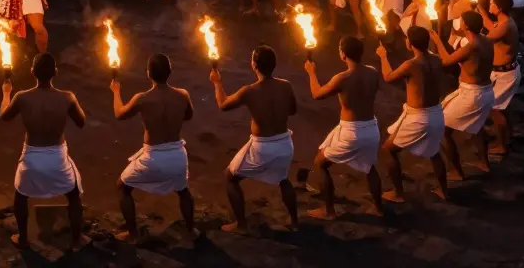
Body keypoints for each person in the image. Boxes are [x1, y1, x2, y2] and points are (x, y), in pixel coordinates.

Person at [0, 53, 86, 250]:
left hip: (31, 157)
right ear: (55, 72)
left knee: (21, 195)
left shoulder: (21, 97)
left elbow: (4, 116)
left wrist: (6, 93)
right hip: (57, 157)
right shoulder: (67, 97)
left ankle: (23, 238)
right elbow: (81, 122)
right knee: (73, 195)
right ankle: (76, 239)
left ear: (32, 72)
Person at [212, 45, 298, 232]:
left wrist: (217, 83)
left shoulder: (249, 91)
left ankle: (241, 224)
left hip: (263, 147)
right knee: (283, 180)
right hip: (285, 143)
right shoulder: (286, 85)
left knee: (230, 177)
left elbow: (223, 105)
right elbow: (293, 110)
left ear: (254, 65)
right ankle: (295, 222)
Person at [111, 54, 197, 241]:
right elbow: (188, 116)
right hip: (177, 155)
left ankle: (132, 233)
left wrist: (116, 92)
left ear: (148, 73)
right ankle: (191, 229)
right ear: (170, 72)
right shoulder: (183, 95)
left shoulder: (142, 98)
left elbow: (119, 114)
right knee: (183, 190)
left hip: (153, 158)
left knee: (122, 186)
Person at [303, 36, 384, 220]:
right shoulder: (373, 72)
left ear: (343, 54)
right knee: (370, 167)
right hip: (371, 127)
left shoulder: (342, 78)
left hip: (352, 131)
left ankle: (328, 210)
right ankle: (378, 208)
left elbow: (317, 94)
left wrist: (311, 72)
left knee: (320, 163)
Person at [377, 26, 448, 201]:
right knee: (434, 152)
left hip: (419, 117)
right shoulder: (437, 59)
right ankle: (443, 190)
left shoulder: (412, 64)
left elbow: (388, 77)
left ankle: (398, 192)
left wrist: (383, 56)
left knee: (388, 149)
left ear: (410, 43)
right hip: (436, 113)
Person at [430, 11, 495, 181]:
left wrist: (437, 40)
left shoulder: (472, 46)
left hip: (473, 95)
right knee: (478, 126)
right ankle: (484, 163)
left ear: (465, 25)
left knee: (442, 130)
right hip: (486, 91)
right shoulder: (486, 40)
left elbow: (445, 61)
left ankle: (456, 171)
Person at [481, 0, 520, 157]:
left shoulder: (505, 26)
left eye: (492, 3)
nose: (490, 5)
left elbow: (484, 40)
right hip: (504, 71)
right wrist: (480, 10)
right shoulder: (504, 22)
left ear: (499, 8)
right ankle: (508, 136)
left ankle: (502, 145)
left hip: (506, 75)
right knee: (503, 108)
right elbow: (490, 26)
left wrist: (466, 33)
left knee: (495, 109)